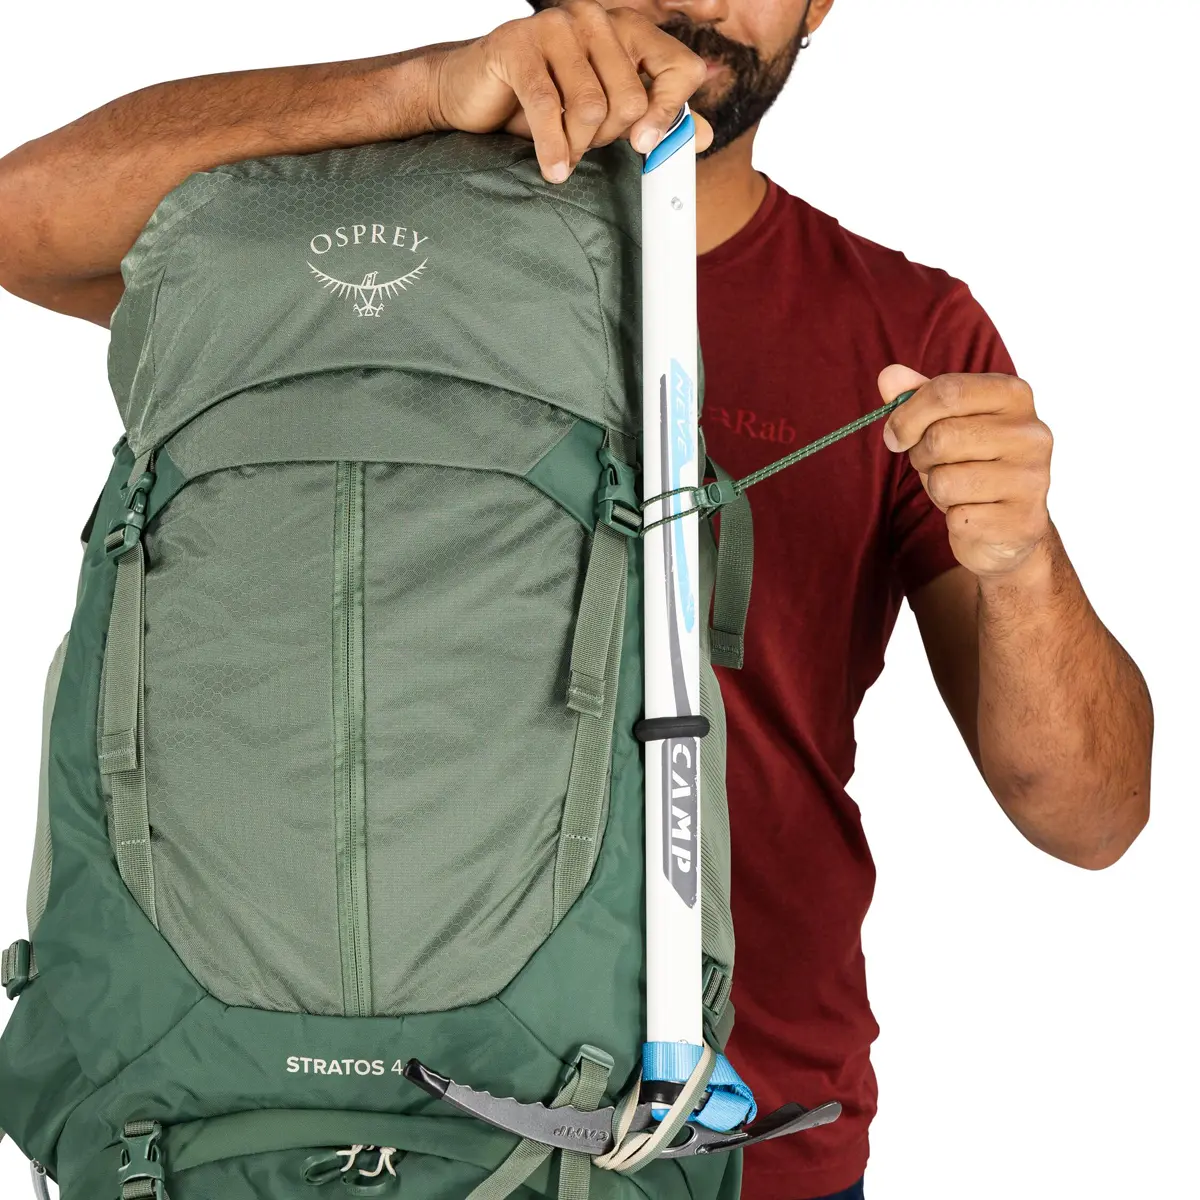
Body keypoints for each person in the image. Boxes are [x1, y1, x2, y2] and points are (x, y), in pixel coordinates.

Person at [0, 2, 1153, 1197]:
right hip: (302, 1119)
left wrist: (1024, 566)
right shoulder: (341, 253)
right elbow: (19, 217)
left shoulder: (898, 328)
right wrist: (422, 90)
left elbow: (1092, 815)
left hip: (736, 1130)